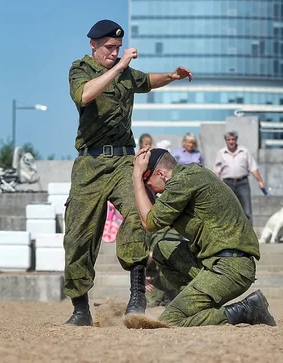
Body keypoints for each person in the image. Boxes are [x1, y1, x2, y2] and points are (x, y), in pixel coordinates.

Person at [64, 19, 192, 326]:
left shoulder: (124, 72)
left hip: (124, 160)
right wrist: (119, 67)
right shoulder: (81, 69)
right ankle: (80, 309)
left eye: (118, 48)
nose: (114, 52)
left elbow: (147, 80)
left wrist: (173, 76)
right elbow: (84, 95)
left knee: (139, 212)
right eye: (109, 47)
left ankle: (137, 295)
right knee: (77, 237)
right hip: (90, 164)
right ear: (93, 44)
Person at [132, 148, 276, 327]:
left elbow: (149, 222)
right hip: (216, 262)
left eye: (148, 181)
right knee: (163, 250)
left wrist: (136, 178)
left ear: (160, 173)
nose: (148, 187)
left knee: (171, 320)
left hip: (230, 267)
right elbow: (153, 219)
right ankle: (196, 305)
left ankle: (246, 310)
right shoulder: (188, 176)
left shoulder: (182, 182)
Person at [214, 131, 265, 223]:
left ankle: (249, 236)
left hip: (242, 183)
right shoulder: (221, 153)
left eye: (233, 139)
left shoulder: (244, 151)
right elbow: (217, 171)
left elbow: (253, 167)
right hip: (227, 183)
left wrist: (260, 181)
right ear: (226, 141)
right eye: (229, 140)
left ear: (236, 140)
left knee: (246, 211)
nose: (231, 142)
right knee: (229, 211)